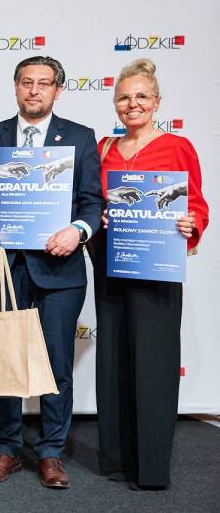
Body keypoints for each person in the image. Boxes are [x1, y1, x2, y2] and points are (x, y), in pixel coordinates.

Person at [0, 55, 102, 489]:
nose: (34, 90)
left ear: (57, 90)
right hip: (5, 266)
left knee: (56, 362)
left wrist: (78, 231)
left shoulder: (80, 137)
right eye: (26, 82)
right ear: (16, 87)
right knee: (5, 358)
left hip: (59, 268)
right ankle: (7, 448)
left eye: (43, 83)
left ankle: (50, 452)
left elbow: (92, 202)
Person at [93, 59, 208, 490]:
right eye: (124, 97)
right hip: (112, 264)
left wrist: (191, 224)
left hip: (158, 269)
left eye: (142, 96)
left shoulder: (178, 146)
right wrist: (99, 216)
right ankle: (117, 460)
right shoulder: (104, 148)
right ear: (115, 104)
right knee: (113, 361)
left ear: (157, 102)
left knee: (155, 365)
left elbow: (196, 205)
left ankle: (152, 468)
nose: (133, 104)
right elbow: (91, 201)